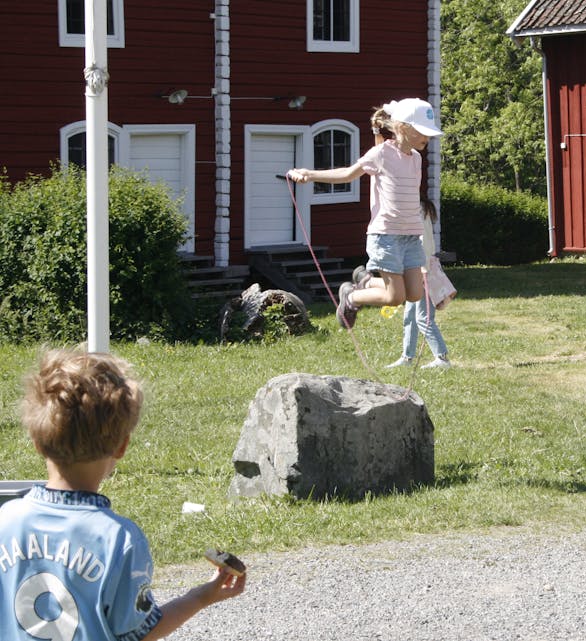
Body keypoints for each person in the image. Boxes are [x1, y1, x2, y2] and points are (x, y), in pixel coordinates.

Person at [0, 349, 246, 641]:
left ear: (36, 442)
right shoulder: (119, 539)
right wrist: (200, 597)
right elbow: (140, 633)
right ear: (122, 446)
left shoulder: (6, 520)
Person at [287, 97, 444, 329]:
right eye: (421, 132)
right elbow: (347, 174)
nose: (426, 138)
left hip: (411, 236)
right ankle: (351, 297)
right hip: (386, 235)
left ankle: (365, 281)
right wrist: (309, 174)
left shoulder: (417, 158)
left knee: (415, 294)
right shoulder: (380, 154)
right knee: (394, 297)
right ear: (402, 127)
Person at [387, 197, 451, 370]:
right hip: (414, 267)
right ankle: (407, 357)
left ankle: (442, 358)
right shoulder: (415, 207)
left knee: (423, 317)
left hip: (422, 268)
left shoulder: (417, 209)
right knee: (410, 316)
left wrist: (423, 267)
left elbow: (425, 240)